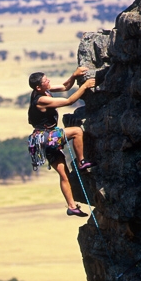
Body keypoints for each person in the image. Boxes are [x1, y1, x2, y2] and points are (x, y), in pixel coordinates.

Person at [28, 68, 96, 217]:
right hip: (47, 137)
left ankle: (72, 206)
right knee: (77, 131)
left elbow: (65, 87)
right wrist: (85, 86)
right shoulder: (41, 99)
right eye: (46, 81)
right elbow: (68, 100)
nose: (49, 82)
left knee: (64, 174)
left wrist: (74, 75)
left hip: (41, 140)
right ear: (39, 87)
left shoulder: (41, 90)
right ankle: (81, 162)